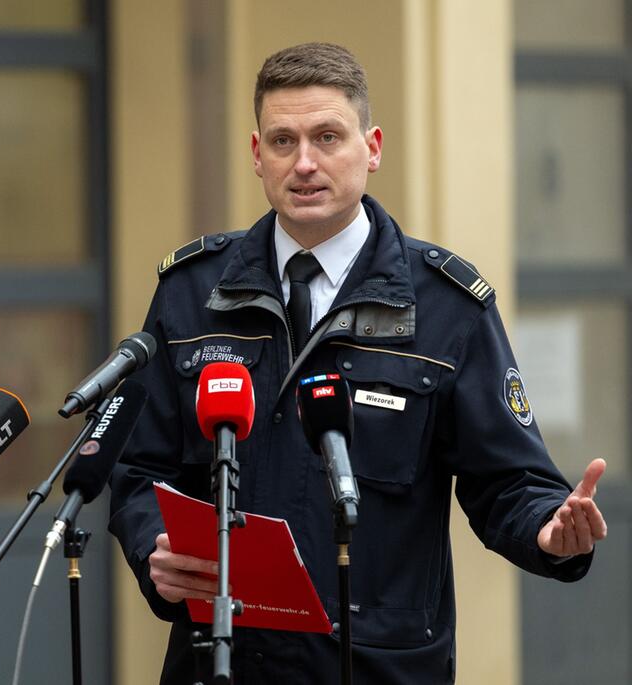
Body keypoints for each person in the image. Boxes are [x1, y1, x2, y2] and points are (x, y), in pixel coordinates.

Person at [107, 42, 607, 684]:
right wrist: (155, 544)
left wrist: (549, 529)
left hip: (377, 666)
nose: (305, 163)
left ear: (371, 148)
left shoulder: (445, 307)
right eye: (283, 141)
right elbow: (138, 466)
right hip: (225, 660)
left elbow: (508, 480)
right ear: (257, 155)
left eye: (327, 137)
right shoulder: (192, 292)